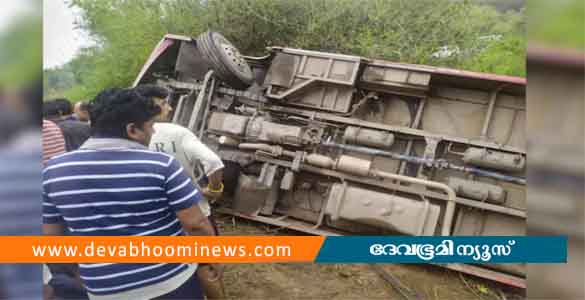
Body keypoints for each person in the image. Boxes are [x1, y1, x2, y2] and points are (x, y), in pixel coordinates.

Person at [42, 88, 214, 300]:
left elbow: (52, 239)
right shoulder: (162, 165)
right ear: (132, 129)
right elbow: (197, 225)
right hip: (170, 283)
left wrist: (83, 275)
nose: (153, 133)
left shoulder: (52, 172)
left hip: (104, 291)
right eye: (150, 126)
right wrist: (209, 262)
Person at [134, 84, 227, 299]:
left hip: (155, 218)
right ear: (153, 105)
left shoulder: (132, 135)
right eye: (165, 102)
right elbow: (213, 161)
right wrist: (215, 189)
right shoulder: (178, 132)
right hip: (192, 211)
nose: (170, 107)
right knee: (207, 267)